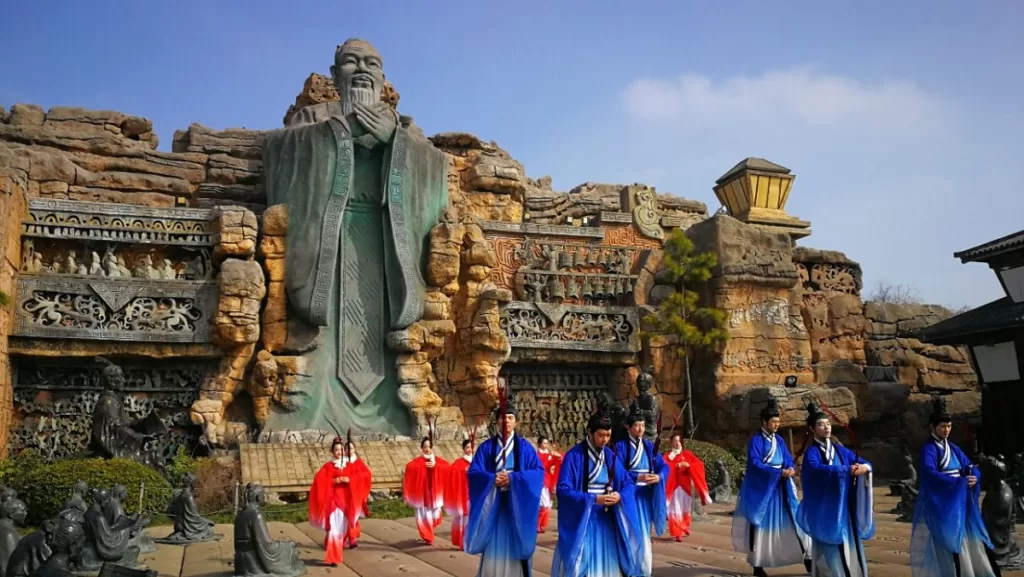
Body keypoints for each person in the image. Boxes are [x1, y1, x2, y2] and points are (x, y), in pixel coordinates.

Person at [910, 397, 1001, 577]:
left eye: (949, 426)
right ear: (933, 427)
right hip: (943, 503)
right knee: (949, 541)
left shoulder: (953, 448)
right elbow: (930, 473)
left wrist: (974, 476)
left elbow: (969, 465)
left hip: (960, 499)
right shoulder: (929, 449)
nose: (946, 430)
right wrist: (959, 482)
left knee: (969, 537)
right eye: (942, 426)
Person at [551, 412, 642, 577]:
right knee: (581, 565)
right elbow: (563, 490)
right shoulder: (574, 456)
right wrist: (593, 499)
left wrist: (619, 496)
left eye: (608, 435)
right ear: (589, 432)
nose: (605, 439)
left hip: (606, 520)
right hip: (583, 521)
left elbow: (628, 483)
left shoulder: (610, 455)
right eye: (601, 435)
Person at [731, 397, 810, 577]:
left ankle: (807, 558)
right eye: (773, 421)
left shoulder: (779, 440)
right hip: (763, 491)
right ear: (764, 422)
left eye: (778, 421)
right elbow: (755, 464)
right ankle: (758, 565)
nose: (776, 424)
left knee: (793, 522)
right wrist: (777, 473)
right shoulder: (756, 440)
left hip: (781, 489)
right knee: (760, 526)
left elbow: (787, 458)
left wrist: (789, 468)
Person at [465, 400, 545, 576]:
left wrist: (513, 479)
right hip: (494, 509)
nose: (506, 421)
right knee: (493, 550)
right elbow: (474, 473)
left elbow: (538, 473)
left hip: (517, 508)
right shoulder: (486, 448)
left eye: (510, 417)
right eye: (502, 418)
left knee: (517, 549)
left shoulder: (525, 448)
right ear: (497, 422)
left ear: (515, 421)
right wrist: (492, 479)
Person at [796, 403, 874, 576]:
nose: (826, 427)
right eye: (821, 425)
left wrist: (865, 469)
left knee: (847, 543)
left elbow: (863, 462)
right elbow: (815, 470)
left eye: (828, 424)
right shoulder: (812, 453)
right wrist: (845, 470)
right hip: (825, 508)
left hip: (843, 506)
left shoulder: (839, 449)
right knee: (828, 547)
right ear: (812, 428)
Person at [613, 407, 667, 577]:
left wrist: (658, 477)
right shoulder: (620, 447)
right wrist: (638, 477)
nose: (640, 429)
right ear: (627, 427)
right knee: (630, 532)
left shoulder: (649, 446)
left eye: (642, 425)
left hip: (645, 497)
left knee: (644, 533)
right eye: (636, 425)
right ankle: (630, 569)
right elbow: (617, 471)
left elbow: (664, 466)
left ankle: (643, 570)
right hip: (629, 497)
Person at [308, 437, 371, 565]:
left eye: (341, 449)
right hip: (334, 502)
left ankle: (335, 549)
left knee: (342, 530)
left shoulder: (349, 466)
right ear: (332, 452)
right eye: (336, 450)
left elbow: (362, 476)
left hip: (347, 503)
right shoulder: (328, 467)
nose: (339, 452)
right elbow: (319, 481)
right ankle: (333, 557)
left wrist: (350, 480)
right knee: (334, 530)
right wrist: (333, 481)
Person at [663, 433, 712, 541]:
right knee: (675, 508)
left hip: (686, 486)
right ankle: (677, 532)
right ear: (671, 443)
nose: (677, 443)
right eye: (675, 441)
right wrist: (675, 466)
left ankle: (684, 526)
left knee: (686, 507)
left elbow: (699, 464)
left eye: (679, 441)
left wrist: (689, 465)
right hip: (674, 486)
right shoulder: (667, 456)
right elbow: (664, 468)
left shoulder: (687, 454)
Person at [403, 437, 448, 545]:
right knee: (424, 516)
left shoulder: (438, 461)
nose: (427, 449)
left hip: (434, 493)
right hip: (422, 494)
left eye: (429, 447)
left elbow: (447, 468)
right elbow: (409, 467)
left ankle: (428, 533)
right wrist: (422, 466)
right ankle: (428, 537)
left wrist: (436, 466)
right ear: (421, 448)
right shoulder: (417, 462)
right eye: (425, 447)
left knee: (436, 517)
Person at [341, 441, 372, 549]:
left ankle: (352, 538)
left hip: (355, 494)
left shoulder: (358, 462)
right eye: (347, 448)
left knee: (353, 517)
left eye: (351, 448)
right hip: (344, 494)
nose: (349, 451)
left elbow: (366, 474)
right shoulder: (342, 462)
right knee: (344, 518)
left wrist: (352, 479)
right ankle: (343, 539)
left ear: (355, 449)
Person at [445, 438, 474, 550]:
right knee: (463, 519)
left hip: (473, 494)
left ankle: (471, 541)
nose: (469, 449)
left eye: (471, 447)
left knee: (472, 518)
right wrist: (463, 471)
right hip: (463, 494)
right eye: (467, 447)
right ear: (463, 449)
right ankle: (463, 542)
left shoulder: (476, 461)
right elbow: (450, 473)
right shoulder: (459, 463)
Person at [536, 437, 562, 533]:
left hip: (548, 480)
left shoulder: (548, 454)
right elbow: (541, 464)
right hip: (541, 480)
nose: (546, 445)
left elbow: (552, 464)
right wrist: (550, 456)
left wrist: (557, 458)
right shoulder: (537, 455)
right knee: (544, 504)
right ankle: (537, 524)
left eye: (547, 443)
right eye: (544, 443)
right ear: (539, 444)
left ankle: (541, 525)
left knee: (548, 504)